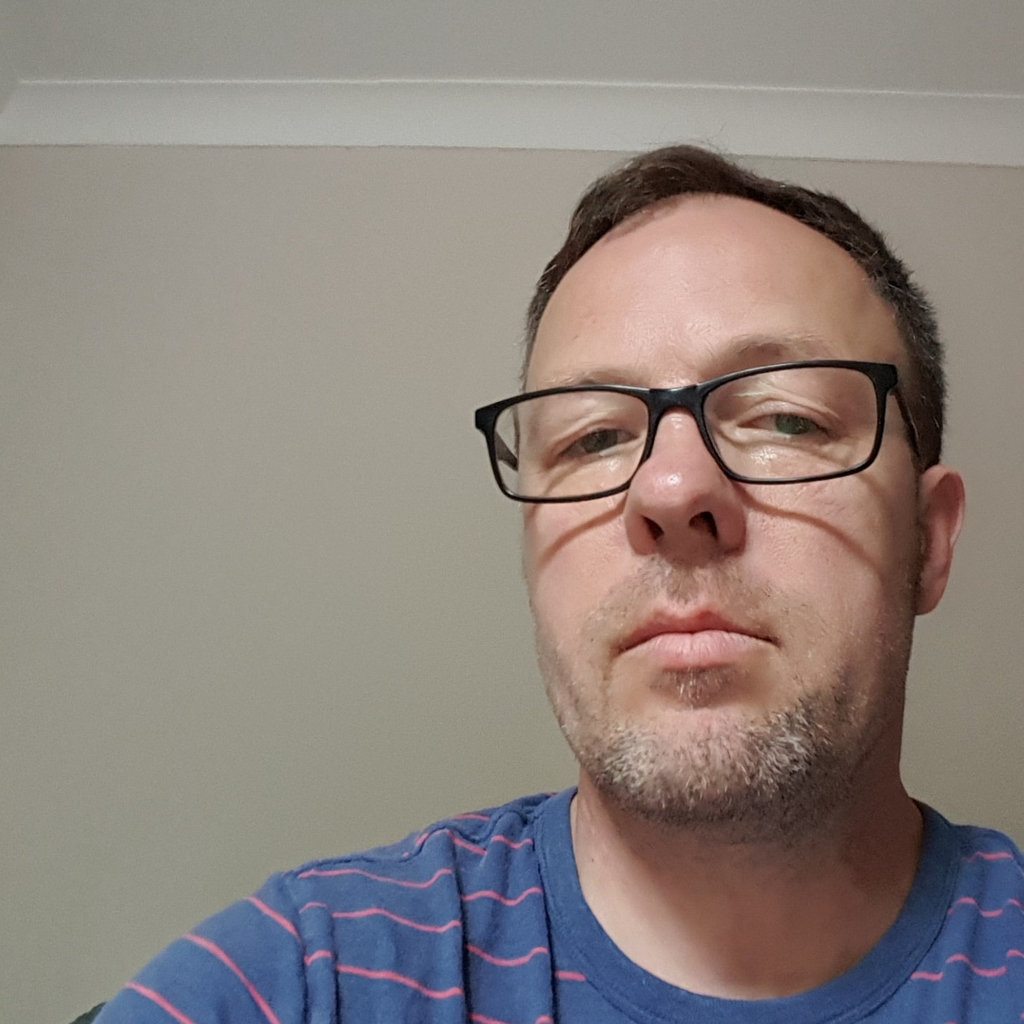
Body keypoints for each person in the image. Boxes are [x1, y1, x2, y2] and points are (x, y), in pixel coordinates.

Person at [94, 146, 1023, 1023]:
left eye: (787, 418)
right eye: (594, 438)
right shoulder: (305, 977)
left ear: (930, 541)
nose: (671, 489)